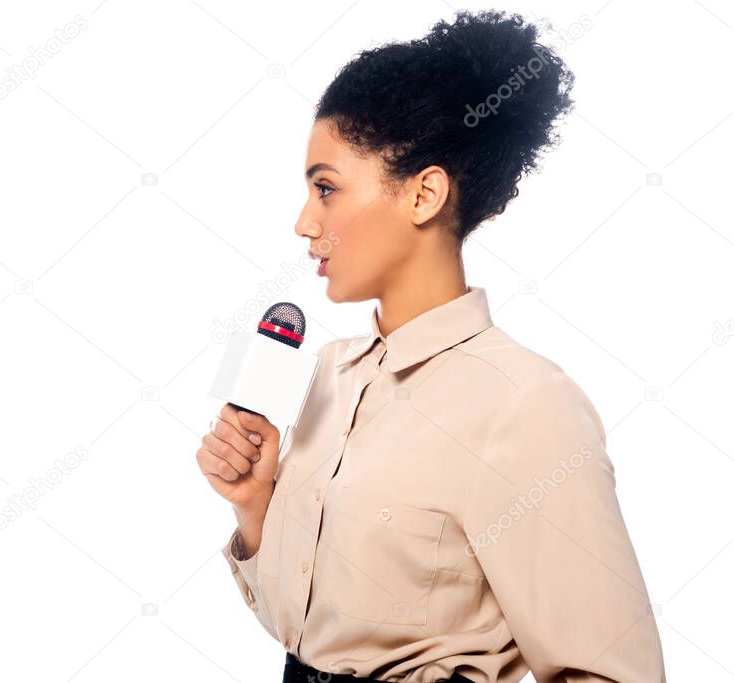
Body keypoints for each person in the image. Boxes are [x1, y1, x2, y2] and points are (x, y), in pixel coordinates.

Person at [196, 9, 666, 683]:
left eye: (326, 188)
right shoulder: (331, 371)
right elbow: (309, 636)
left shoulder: (525, 405)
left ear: (423, 193)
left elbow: (614, 673)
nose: (305, 222)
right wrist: (255, 503)